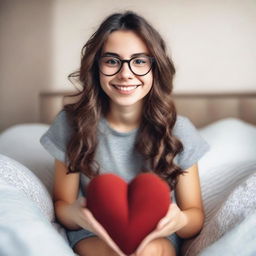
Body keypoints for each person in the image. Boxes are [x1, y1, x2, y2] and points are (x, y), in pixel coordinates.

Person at [40, 11, 209, 256]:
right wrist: (75, 213)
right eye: (112, 61)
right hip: (93, 232)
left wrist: (180, 220)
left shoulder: (178, 131)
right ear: (96, 66)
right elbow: (62, 205)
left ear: (155, 68)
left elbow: (194, 215)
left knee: (147, 252)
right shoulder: (71, 124)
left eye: (139, 61)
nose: (125, 73)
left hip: (156, 235)